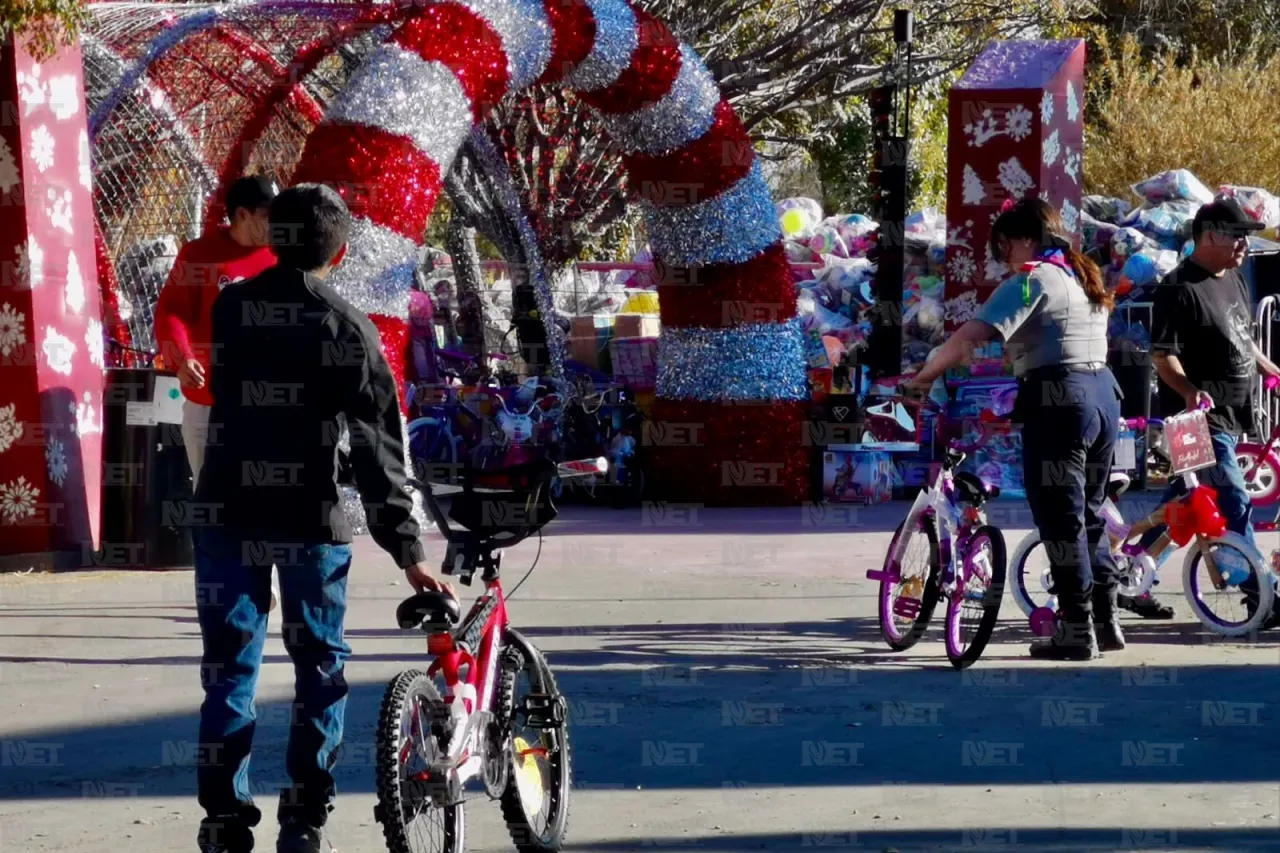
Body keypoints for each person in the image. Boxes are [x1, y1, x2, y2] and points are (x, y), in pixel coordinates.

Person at [192, 183, 456, 853]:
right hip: (313, 518)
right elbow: (378, 449)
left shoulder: (231, 309)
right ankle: (304, 819)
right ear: (339, 253)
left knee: (229, 666)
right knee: (319, 663)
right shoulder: (349, 328)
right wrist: (409, 551)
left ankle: (224, 819)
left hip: (227, 509)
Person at [907, 198, 1122, 660]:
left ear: (1025, 238)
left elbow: (970, 336)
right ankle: (1105, 620)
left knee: (1060, 517)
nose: (1004, 256)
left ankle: (1076, 630)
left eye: (1004, 245)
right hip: (1104, 396)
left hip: (1060, 400)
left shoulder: (1031, 281)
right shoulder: (1080, 275)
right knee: (1089, 514)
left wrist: (923, 377)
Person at [1148, 196, 1279, 626]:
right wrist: (1189, 392)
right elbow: (1162, 356)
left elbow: (1241, 335)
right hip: (1194, 421)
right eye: (1238, 235)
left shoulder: (1235, 278)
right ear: (1210, 235)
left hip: (1232, 413)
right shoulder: (1177, 287)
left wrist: (1268, 367)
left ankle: (1124, 573)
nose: (1244, 244)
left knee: (1183, 502)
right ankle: (1263, 594)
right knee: (1233, 497)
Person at [155, 175, 282, 612]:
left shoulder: (283, 254)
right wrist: (180, 357)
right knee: (213, 500)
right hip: (209, 404)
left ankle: (259, 583)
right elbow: (171, 309)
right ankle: (222, 589)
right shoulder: (199, 254)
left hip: (267, 408)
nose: (275, 223)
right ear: (242, 215)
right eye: (267, 215)